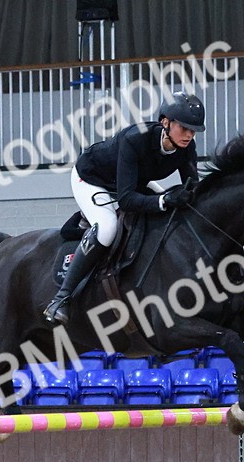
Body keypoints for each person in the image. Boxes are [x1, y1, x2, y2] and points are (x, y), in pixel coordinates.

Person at [43, 91, 206, 324]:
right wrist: (163, 200)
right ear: (165, 122)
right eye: (184, 128)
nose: (189, 135)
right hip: (92, 178)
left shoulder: (186, 147)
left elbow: (193, 188)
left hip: (134, 179)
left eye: (193, 130)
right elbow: (127, 200)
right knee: (108, 227)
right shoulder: (135, 139)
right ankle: (61, 298)